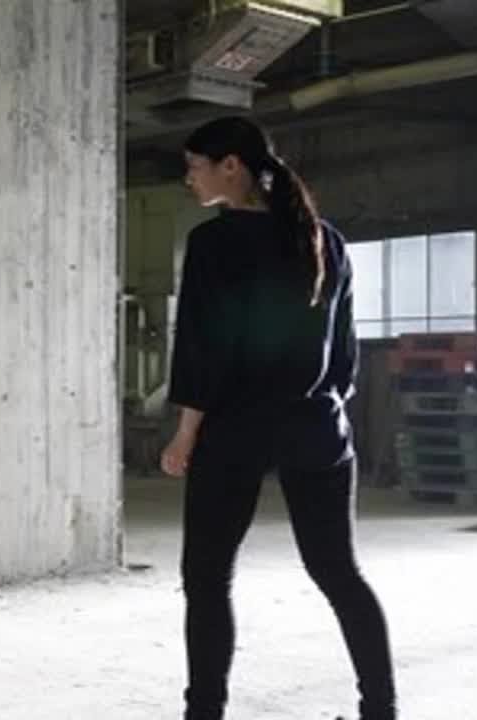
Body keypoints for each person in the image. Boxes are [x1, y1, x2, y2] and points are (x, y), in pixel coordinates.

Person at [160, 117, 397, 720]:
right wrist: (326, 406)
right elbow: (346, 352)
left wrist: (185, 434)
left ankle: (204, 713)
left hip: (233, 431)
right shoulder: (325, 239)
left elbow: (202, 350)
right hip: (316, 426)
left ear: (231, 166)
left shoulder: (213, 244)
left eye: (195, 167)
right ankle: (381, 709)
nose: (190, 179)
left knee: (207, 580)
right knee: (339, 574)